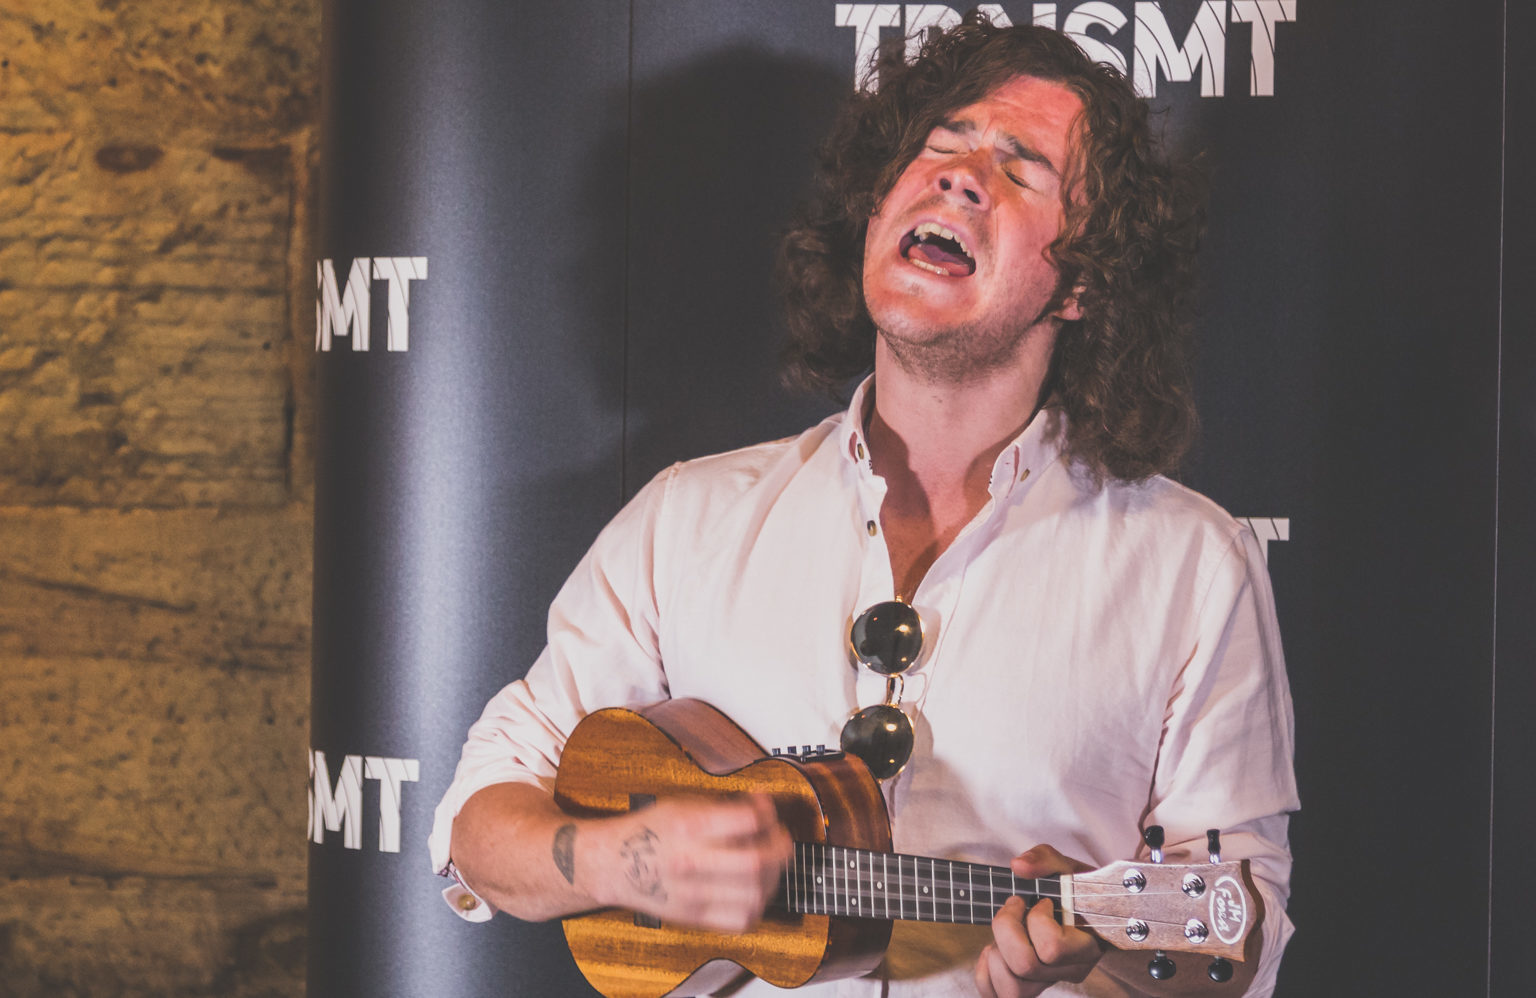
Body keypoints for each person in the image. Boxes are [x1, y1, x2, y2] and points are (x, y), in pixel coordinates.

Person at [430, 17, 1298, 998]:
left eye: (1022, 170)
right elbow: (476, 825)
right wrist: (629, 858)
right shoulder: (687, 518)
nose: (960, 177)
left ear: (1084, 284)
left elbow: (1238, 929)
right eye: (939, 145)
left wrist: (1106, 953)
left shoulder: (1189, 562)